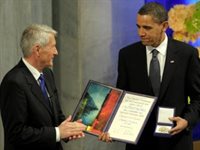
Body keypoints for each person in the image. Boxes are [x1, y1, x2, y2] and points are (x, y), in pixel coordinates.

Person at [99, 2, 200, 150]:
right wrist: (109, 126)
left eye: (147, 27)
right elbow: (121, 97)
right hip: (140, 143)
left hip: (175, 142)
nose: (141, 33)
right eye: (138, 26)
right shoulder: (127, 55)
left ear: (164, 26)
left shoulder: (187, 54)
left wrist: (186, 120)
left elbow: (198, 97)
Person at [0, 24, 86, 150]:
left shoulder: (47, 74)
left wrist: (68, 129)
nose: (56, 52)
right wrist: (58, 133)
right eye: (53, 47)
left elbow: (55, 116)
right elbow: (16, 133)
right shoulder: (14, 82)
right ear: (37, 50)